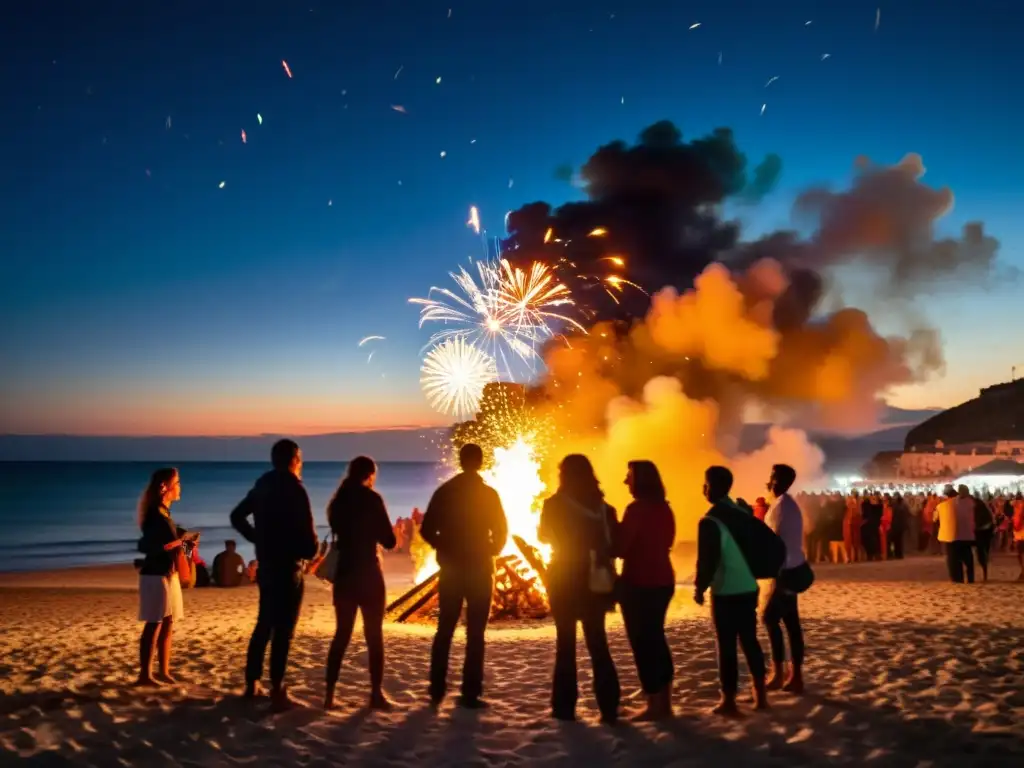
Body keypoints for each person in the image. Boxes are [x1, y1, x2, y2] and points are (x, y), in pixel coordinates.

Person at [230, 439, 319, 711]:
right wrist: (310, 550)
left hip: (267, 564)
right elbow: (308, 537)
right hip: (288, 567)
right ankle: (277, 689)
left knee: (264, 624)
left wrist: (258, 539)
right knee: (284, 630)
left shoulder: (263, 485)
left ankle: (251, 683)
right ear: (294, 460)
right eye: (300, 459)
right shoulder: (295, 488)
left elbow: (237, 516)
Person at [420, 443, 508, 709]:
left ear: (461, 461)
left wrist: (443, 547)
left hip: (452, 569)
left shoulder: (445, 492)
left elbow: (426, 530)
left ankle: (436, 689)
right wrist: (491, 549)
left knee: (445, 628)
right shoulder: (488, 494)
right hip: (481, 568)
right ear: (480, 463)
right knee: (476, 633)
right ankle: (470, 694)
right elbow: (502, 530)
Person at [539, 454, 621, 723]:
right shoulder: (604, 508)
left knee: (565, 644)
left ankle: (564, 709)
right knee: (598, 642)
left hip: (564, 577)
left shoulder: (553, 505)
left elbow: (543, 536)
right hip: (595, 579)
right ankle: (608, 707)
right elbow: (615, 542)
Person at [694, 466, 768, 717]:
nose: (703, 489)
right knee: (749, 640)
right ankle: (761, 697)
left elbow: (707, 561)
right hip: (748, 586)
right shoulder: (742, 512)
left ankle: (729, 701)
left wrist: (699, 588)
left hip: (726, 590)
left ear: (712, 487)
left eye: (705, 484)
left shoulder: (710, 520)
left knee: (726, 645)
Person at [324, 456, 397, 710]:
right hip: (368, 572)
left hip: (344, 573)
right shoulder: (372, 499)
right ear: (370, 475)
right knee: (374, 636)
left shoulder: (338, 501)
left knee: (341, 634)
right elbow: (389, 541)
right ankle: (375, 694)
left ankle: (329, 695)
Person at [615, 460, 674, 721]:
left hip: (640, 583)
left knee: (643, 643)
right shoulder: (664, 508)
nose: (625, 481)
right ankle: (665, 703)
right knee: (657, 639)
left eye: (629, 476)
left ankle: (653, 705)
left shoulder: (636, 510)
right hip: (663, 580)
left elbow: (621, 547)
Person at [136, 467, 191, 686]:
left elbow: (175, 547)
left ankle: (163, 671)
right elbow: (153, 546)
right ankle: (145, 675)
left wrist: (186, 544)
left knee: (168, 622)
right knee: (155, 623)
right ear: (164, 487)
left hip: (169, 572)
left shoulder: (164, 514)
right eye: (176, 483)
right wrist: (181, 543)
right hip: (156, 573)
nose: (180, 487)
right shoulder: (155, 516)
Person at [762, 464, 807, 695]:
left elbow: (775, 542)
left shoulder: (782, 507)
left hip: (786, 572)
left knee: (769, 618)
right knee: (790, 624)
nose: (768, 482)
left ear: (778, 481)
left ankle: (779, 673)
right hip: (792, 569)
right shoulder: (786, 504)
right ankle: (794, 675)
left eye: (771, 478)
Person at [935, 484, 976, 584]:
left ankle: (957, 579)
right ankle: (970, 578)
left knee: (953, 559)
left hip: (951, 536)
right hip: (967, 535)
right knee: (968, 558)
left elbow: (935, 519)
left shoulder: (942, 505)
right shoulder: (970, 502)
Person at [972, 492, 995, 582]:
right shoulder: (984, 508)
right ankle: (985, 572)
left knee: (981, 552)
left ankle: (984, 571)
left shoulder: (975, 508)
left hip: (980, 531)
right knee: (984, 551)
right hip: (987, 531)